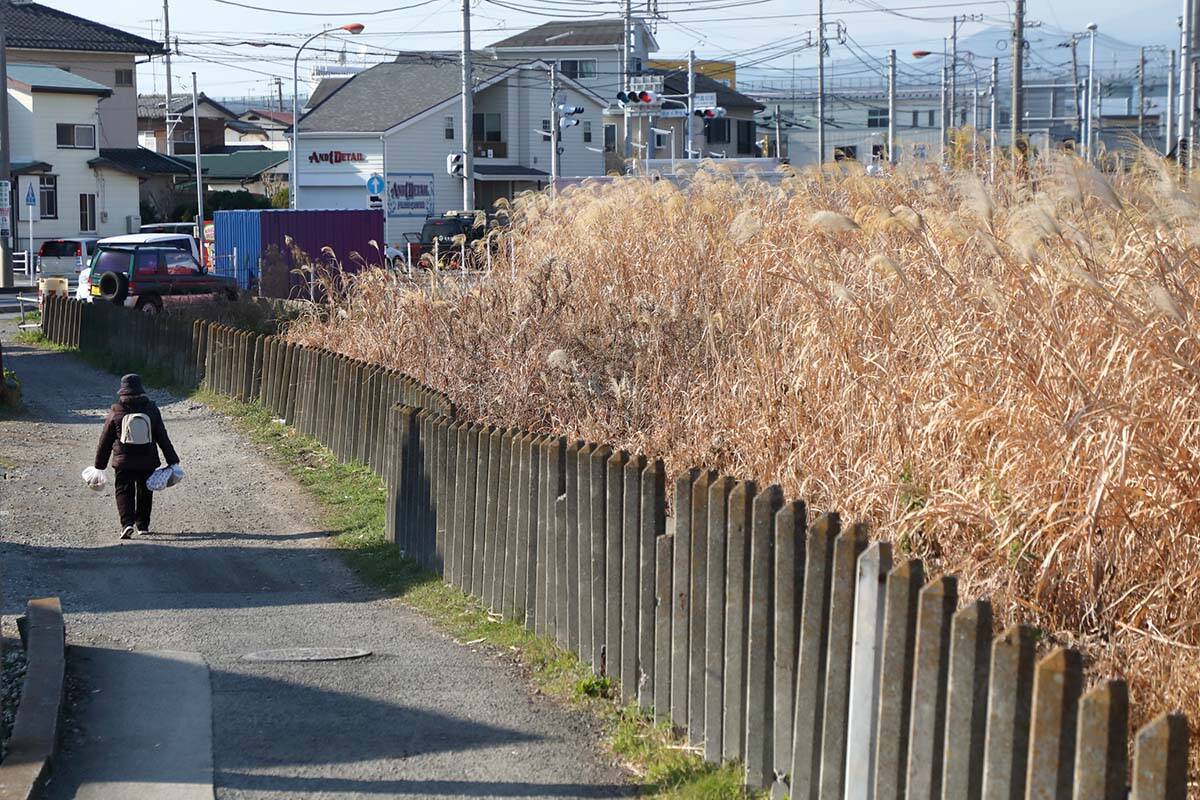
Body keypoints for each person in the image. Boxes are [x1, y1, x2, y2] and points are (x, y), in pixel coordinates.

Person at [94, 374, 180, 539]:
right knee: (145, 491)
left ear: (122, 392)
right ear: (141, 390)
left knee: (123, 490)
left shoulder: (116, 411)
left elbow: (105, 440)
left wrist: (99, 465)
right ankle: (143, 525)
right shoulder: (151, 409)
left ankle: (126, 524)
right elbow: (162, 437)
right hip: (147, 460)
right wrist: (172, 461)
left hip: (123, 461)